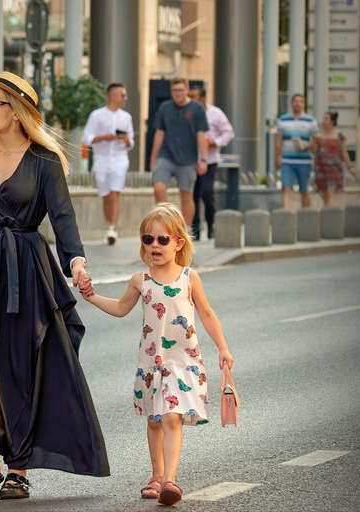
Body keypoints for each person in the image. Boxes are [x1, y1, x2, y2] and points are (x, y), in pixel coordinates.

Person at [0, 71, 110, 501]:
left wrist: (76, 264)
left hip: (26, 269)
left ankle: (16, 468)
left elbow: (64, 221)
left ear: (18, 112)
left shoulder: (44, 162)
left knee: (20, 368)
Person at [78, 202, 234, 506]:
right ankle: (156, 474)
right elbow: (122, 309)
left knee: (171, 418)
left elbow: (207, 314)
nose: (154, 246)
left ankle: (169, 481)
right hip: (152, 363)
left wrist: (224, 349)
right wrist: (92, 297)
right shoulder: (141, 280)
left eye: (162, 239)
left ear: (178, 242)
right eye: (148, 239)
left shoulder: (190, 277)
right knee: (154, 420)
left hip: (183, 361)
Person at [149, 78, 209, 229]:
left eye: (181, 90)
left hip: (188, 159)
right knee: (159, 188)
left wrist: (204, 159)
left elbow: (201, 135)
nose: (178, 94)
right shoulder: (165, 108)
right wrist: (153, 158)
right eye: (175, 90)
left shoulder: (197, 109)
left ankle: (186, 229)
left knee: (186, 195)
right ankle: (168, 222)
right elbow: (159, 134)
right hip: (166, 155)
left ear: (187, 90)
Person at [82, 82, 135, 245]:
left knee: (115, 193)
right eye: (122, 95)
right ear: (112, 95)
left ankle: (113, 228)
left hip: (119, 159)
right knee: (106, 195)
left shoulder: (126, 117)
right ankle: (109, 226)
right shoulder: (97, 115)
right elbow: (86, 138)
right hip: (101, 159)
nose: (125, 98)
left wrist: (126, 139)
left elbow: (131, 142)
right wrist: (104, 137)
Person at [188, 87, 234, 241]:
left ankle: (211, 223)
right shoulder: (186, 113)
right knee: (192, 196)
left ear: (202, 98)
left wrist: (216, 142)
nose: (190, 98)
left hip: (210, 160)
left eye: (193, 96)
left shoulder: (215, 113)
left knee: (206, 192)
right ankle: (194, 230)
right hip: (190, 161)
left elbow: (229, 132)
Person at [275, 94, 319, 209]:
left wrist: (306, 146)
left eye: (300, 102)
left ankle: (306, 217)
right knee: (286, 189)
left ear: (304, 104)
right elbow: (279, 140)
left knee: (304, 191)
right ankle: (287, 216)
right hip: (287, 161)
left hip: (304, 162)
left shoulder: (311, 121)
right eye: (295, 101)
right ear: (292, 103)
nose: (297, 104)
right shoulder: (283, 120)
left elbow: (316, 141)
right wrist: (277, 157)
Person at [311, 111, 357, 206]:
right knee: (325, 194)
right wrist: (314, 142)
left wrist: (350, 167)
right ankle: (327, 212)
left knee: (331, 193)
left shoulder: (339, 135)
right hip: (321, 170)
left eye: (326, 119)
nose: (323, 121)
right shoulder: (319, 135)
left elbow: (344, 152)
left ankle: (329, 214)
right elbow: (314, 151)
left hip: (334, 170)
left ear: (332, 122)